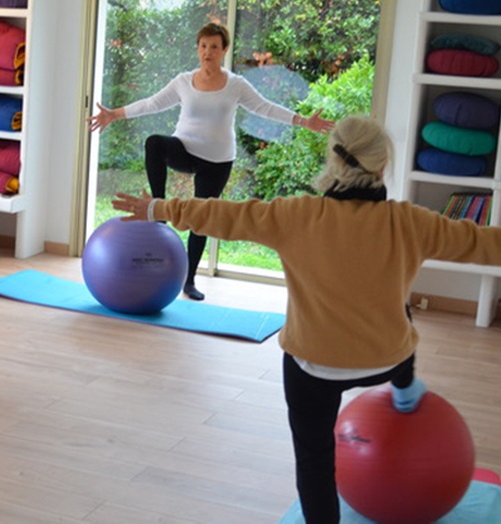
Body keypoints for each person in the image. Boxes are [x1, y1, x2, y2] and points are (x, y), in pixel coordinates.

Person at [111, 116, 501, 523]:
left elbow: (226, 215)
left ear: (332, 163)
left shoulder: (295, 215)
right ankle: (405, 387)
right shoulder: (410, 222)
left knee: (315, 462)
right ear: (382, 167)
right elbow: (479, 243)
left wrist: (159, 207)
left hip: (315, 368)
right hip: (386, 357)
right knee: (403, 329)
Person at [89, 22, 335, 301]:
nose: (208, 52)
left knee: (201, 218)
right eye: (203, 46)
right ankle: (159, 210)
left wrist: (302, 121)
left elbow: (264, 107)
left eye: (214, 47)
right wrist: (114, 114)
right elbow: (151, 103)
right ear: (198, 48)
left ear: (224, 50)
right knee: (154, 143)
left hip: (216, 161)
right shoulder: (183, 81)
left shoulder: (236, 85)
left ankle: (190, 280)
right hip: (184, 148)